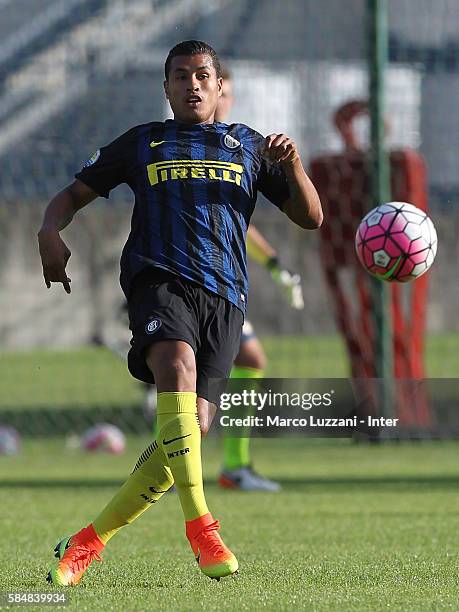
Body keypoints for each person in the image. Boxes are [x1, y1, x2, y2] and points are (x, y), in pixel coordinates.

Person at [38, 40, 323, 585]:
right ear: (166, 87)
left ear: (219, 87)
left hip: (226, 299)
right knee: (175, 370)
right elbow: (71, 196)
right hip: (159, 281)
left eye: (202, 76)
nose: (191, 84)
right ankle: (202, 526)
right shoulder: (143, 142)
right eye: (180, 76)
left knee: (187, 433)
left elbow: (311, 217)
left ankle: (86, 542)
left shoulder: (249, 146)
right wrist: (49, 230)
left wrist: (296, 167)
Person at [214, 68, 305, 492]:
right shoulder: (184, 146)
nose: (223, 101)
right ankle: (184, 469)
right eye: (221, 92)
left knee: (247, 361)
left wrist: (275, 265)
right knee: (185, 380)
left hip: (222, 284)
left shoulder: (238, 147)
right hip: (186, 281)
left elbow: (239, 223)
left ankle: (233, 467)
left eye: (229, 93)